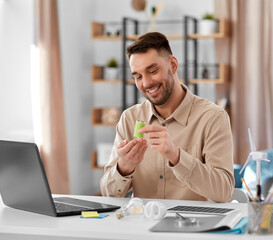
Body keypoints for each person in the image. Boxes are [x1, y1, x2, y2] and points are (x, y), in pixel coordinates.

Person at [100, 32, 234, 202]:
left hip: (193, 225)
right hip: (141, 225)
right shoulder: (130, 118)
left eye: (153, 71)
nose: (146, 83)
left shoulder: (213, 118)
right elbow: (108, 195)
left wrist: (177, 156)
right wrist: (124, 167)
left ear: (173, 65)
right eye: (138, 76)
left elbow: (223, 192)